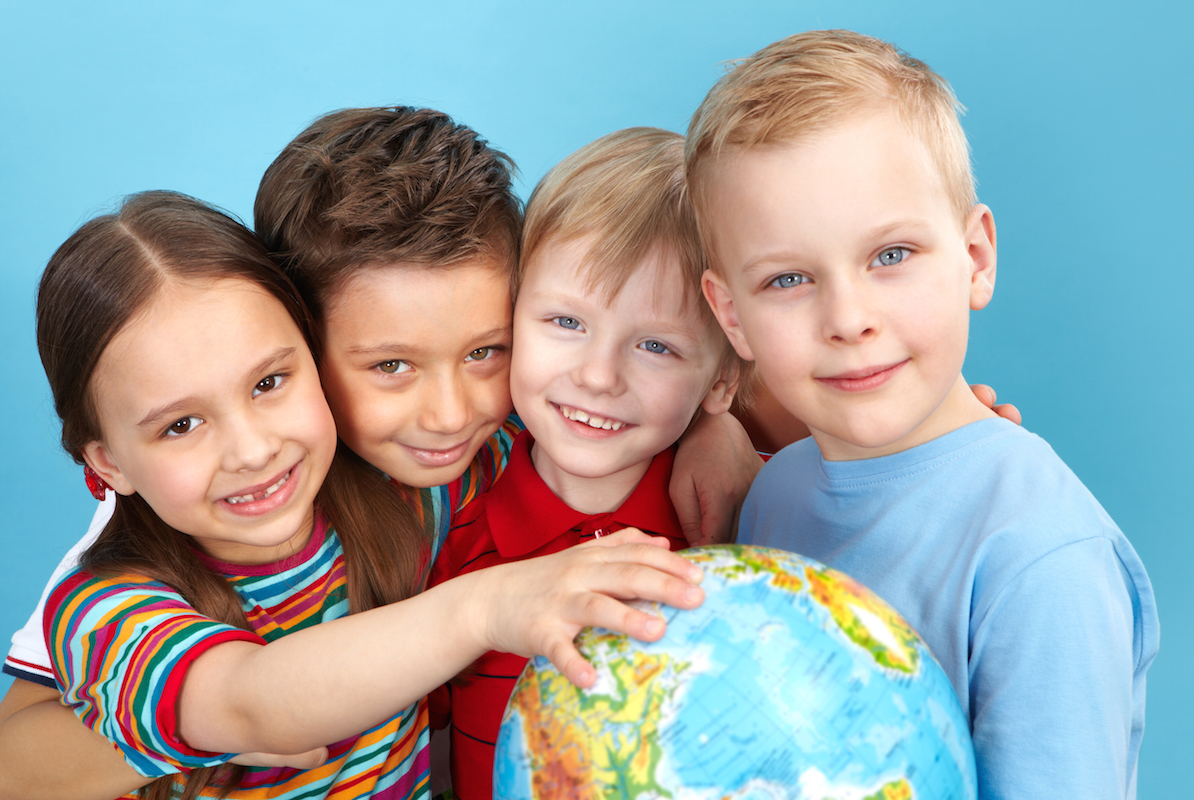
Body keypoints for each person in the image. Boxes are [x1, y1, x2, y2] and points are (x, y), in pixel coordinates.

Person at [0, 107, 756, 799]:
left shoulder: (430, 483)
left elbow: (625, 380)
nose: (450, 414)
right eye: (391, 365)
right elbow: (248, 703)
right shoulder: (108, 599)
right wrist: (488, 607)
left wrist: (715, 423)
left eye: (486, 351)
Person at [688, 30, 1159, 799]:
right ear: (730, 316)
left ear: (975, 259)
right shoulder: (775, 494)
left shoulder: (1040, 559)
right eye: (788, 279)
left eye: (891, 255)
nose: (849, 319)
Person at [426, 127, 741, 799]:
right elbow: (431, 755)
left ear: (722, 381)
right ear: (510, 318)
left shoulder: (742, 523)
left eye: (655, 346)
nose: (598, 376)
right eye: (567, 323)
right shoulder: (447, 531)